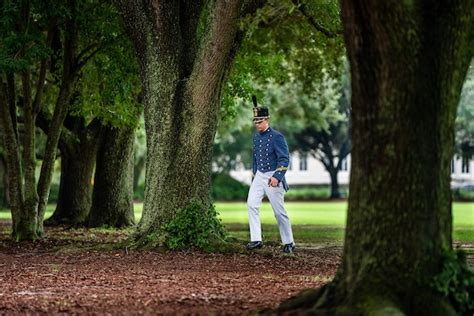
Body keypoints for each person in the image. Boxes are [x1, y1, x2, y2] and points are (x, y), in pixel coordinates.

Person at [246, 96, 295, 254]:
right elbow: (255, 156)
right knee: (251, 204)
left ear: (267, 119)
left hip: (273, 175)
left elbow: (284, 158)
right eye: (255, 122)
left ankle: (289, 242)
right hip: (259, 176)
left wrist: (277, 176)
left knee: (279, 212)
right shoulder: (255, 138)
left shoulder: (277, 137)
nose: (257, 125)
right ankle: (256, 239)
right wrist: (255, 173)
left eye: (260, 121)